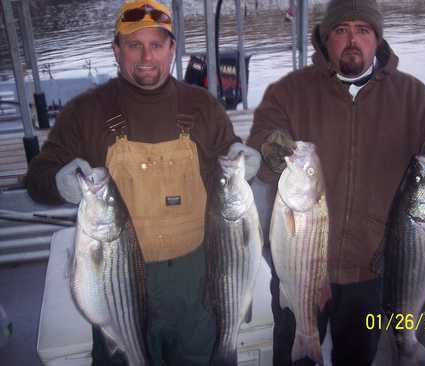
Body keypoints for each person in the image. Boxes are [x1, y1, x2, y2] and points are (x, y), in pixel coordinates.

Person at [25, 1, 260, 365]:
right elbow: (36, 179)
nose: (146, 56)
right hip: (118, 285)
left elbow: (225, 159)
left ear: (172, 49)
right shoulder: (85, 112)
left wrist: (241, 154)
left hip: (195, 282)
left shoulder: (202, 105)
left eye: (156, 44)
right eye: (134, 45)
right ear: (117, 51)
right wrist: (59, 181)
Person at [246, 0, 425, 365]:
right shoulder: (289, 92)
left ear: (376, 39)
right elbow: (261, 140)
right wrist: (271, 149)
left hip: (370, 271)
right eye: (341, 30)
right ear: (326, 38)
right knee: (293, 358)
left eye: (362, 31)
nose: (352, 39)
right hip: (300, 265)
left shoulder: (413, 97)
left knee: (358, 359)